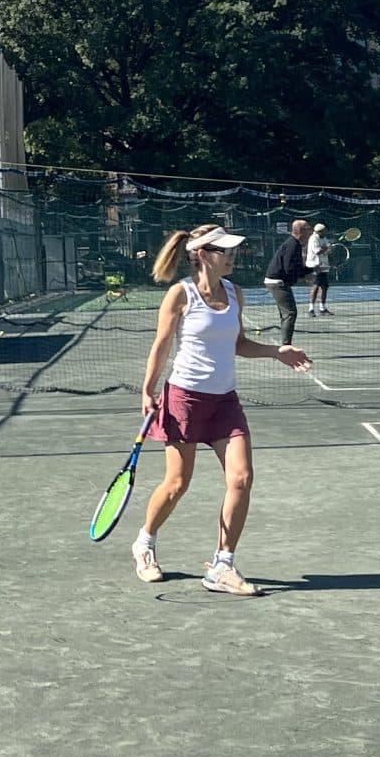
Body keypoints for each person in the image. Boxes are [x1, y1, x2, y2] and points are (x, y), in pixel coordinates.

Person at [133, 223, 314, 593]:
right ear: (202, 254)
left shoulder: (235, 292)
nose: (232, 256)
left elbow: (239, 343)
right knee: (177, 483)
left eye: (233, 250)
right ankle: (145, 543)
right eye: (225, 251)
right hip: (184, 398)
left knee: (241, 479)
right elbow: (162, 344)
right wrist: (148, 390)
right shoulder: (180, 294)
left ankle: (222, 566)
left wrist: (276, 351)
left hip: (225, 401)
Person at [262, 221, 309, 343]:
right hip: (277, 282)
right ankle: (286, 345)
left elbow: (294, 267)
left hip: (277, 281)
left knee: (286, 314)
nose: (310, 232)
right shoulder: (293, 245)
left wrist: (310, 270)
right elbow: (290, 268)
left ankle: (285, 343)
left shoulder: (294, 244)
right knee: (290, 313)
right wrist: (305, 275)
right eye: (308, 229)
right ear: (301, 231)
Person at [306, 223, 336, 316]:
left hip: (324, 266)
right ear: (319, 231)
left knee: (324, 287)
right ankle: (311, 309)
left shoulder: (324, 238)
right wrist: (327, 247)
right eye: (324, 231)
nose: (326, 232)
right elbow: (318, 251)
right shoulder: (313, 239)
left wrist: (329, 249)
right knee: (315, 286)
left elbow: (327, 252)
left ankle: (322, 308)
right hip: (314, 266)